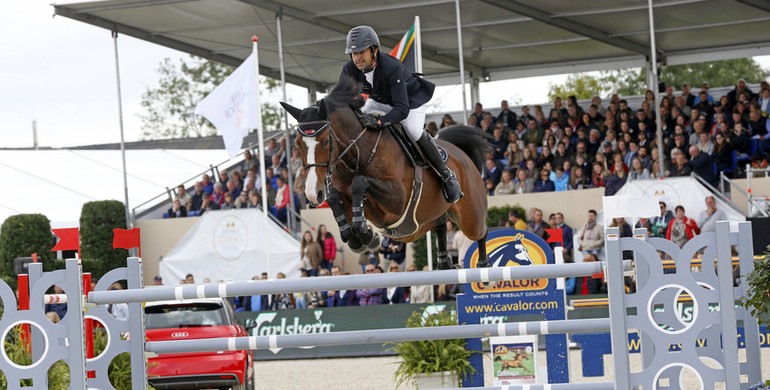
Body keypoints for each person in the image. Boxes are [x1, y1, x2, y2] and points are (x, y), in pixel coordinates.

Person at [340, 25, 461, 203]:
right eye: (354, 53)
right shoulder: (349, 69)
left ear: (375, 50)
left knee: (412, 130)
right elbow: (342, 100)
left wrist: (380, 123)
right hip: (379, 100)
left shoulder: (391, 67)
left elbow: (401, 109)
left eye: (362, 52)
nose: (357, 57)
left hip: (410, 103)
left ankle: (446, 174)